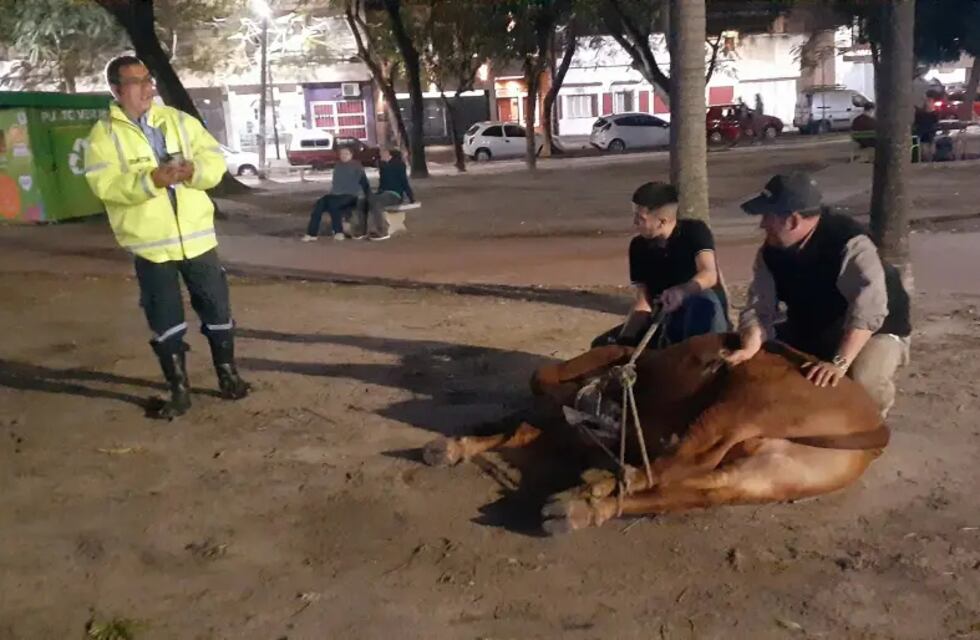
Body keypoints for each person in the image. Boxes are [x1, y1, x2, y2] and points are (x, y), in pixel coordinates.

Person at [84, 55, 250, 420]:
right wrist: (151, 181)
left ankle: (228, 377)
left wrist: (194, 171)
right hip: (150, 244)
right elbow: (104, 185)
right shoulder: (104, 135)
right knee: (165, 317)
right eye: (137, 82)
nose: (148, 88)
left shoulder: (177, 120)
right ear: (115, 89)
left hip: (198, 239)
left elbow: (214, 160)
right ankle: (179, 391)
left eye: (149, 79)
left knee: (217, 308)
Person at [724, 172, 911, 417]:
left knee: (865, 379)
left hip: (875, 329)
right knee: (760, 363)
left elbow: (869, 309)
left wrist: (839, 363)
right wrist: (751, 343)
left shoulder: (849, 243)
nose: (762, 225)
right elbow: (759, 306)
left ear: (792, 221)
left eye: (767, 216)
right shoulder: (770, 253)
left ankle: (875, 421)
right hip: (815, 326)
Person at [592, 182, 730, 349]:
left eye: (640, 218)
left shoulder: (695, 231)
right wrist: (625, 341)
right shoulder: (638, 246)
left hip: (700, 315)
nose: (634, 222)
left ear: (662, 221)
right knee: (601, 348)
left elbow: (709, 274)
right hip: (663, 318)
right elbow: (643, 301)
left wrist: (681, 291)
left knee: (703, 299)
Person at [302, 145, 370, 241]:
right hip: (335, 194)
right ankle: (311, 233)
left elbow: (364, 182)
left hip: (351, 195)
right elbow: (335, 183)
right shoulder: (338, 166)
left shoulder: (356, 166)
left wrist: (368, 196)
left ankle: (338, 232)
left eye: (346, 154)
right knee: (320, 204)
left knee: (334, 205)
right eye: (342, 154)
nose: (343, 156)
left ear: (351, 155)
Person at [351, 147, 414, 241]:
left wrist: (411, 198)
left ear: (389, 155)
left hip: (394, 194)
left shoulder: (399, 165)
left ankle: (381, 231)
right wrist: (375, 194)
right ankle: (361, 230)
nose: (380, 156)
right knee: (363, 201)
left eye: (382, 154)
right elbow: (382, 184)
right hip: (382, 193)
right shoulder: (383, 166)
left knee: (375, 202)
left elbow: (404, 182)